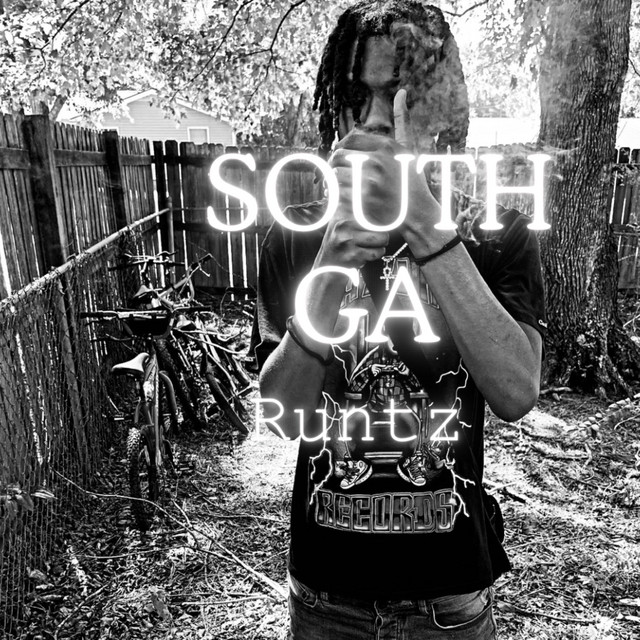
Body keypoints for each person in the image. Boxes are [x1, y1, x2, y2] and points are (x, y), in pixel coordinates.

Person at [250, 1, 546, 638]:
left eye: (399, 93)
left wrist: (426, 229)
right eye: (360, 96)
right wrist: (332, 261)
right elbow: (279, 415)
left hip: (449, 604)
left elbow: (517, 390)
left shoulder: (498, 234)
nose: (379, 118)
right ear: (336, 106)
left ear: (440, 106)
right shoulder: (296, 235)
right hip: (326, 599)